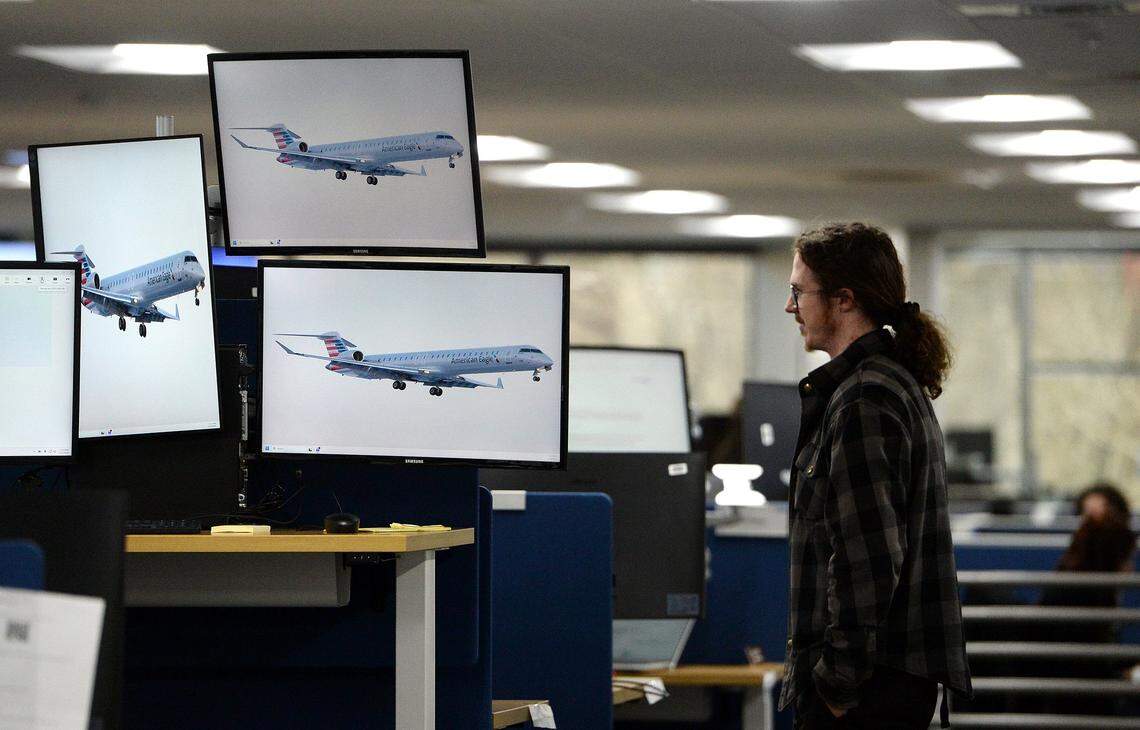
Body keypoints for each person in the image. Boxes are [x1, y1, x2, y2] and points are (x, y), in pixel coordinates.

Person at [778, 223, 971, 729]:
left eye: (799, 292)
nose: (790, 307)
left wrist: (837, 684)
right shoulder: (877, 386)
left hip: (867, 690)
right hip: (881, 682)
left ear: (844, 299)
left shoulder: (866, 398)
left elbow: (868, 560)